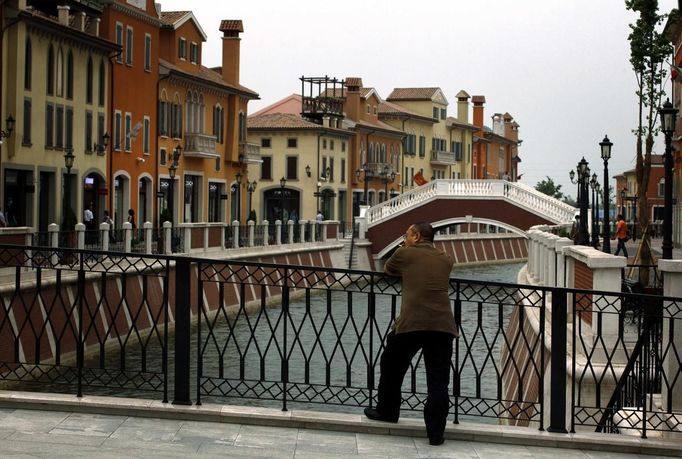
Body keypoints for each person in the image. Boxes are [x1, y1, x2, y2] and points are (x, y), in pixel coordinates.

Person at [364, 221, 457, 446]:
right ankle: (436, 433)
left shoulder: (405, 253)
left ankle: (387, 411)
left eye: (406, 234)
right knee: (438, 381)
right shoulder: (446, 259)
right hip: (443, 326)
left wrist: (403, 249)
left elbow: (388, 270)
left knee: (391, 366)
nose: (404, 238)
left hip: (411, 324)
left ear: (416, 237)